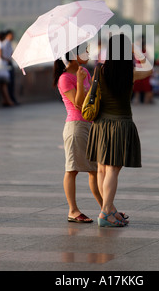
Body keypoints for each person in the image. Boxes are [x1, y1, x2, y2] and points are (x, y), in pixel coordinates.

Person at [86, 34, 153, 227]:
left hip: (100, 125)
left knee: (101, 169)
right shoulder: (130, 72)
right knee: (113, 171)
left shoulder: (99, 70)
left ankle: (109, 209)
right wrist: (135, 50)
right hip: (121, 124)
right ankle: (106, 212)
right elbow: (149, 69)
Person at [53, 44, 102, 223]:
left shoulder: (86, 72)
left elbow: (92, 99)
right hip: (76, 127)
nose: (88, 54)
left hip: (90, 125)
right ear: (74, 55)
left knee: (95, 170)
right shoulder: (65, 78)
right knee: (72, 169)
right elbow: (78, 104)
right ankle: (73, 210)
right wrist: (80, 82)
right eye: (84, 51)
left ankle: (106, 208)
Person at [0, 31, 14, 107]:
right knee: (4, 84)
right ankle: (8, 100)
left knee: (2, 85)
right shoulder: (0, 44)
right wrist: (7, 59)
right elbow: (0, 55)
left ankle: (6, 100)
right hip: (1, 66)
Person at [2, 29, 19, 105]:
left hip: (9, 64)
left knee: (11, 82)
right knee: (9, 82)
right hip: (7, 65)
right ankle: (9, 99)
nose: (13, 37)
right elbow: (4, 55)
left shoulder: (9, 43)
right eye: (12, 35)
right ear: (8, 35)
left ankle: (11, 98)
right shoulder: (5, 43)